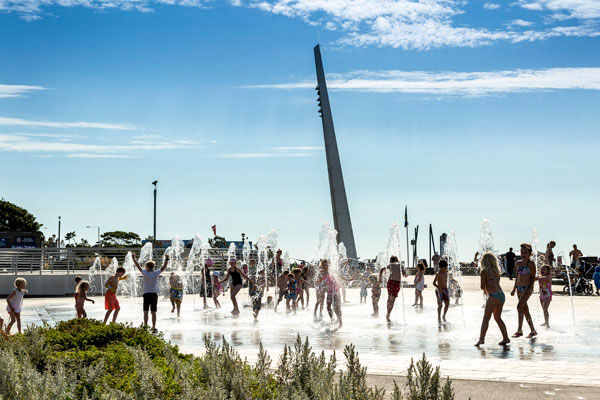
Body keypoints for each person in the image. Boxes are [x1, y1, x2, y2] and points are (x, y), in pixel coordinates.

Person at [475, 253, 510, 346]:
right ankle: (506, 338)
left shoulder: (484, 272)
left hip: (493, 296)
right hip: (501, 295)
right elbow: (496, 283)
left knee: (486, 318)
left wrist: (485, 290)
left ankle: (481, 339)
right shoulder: (496, 271)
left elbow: (482, 286)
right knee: (498, 318)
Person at [132, 253, 169, 332]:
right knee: (153, 312)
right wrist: (167, 259)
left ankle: (145, 326)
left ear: (147, 267)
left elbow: (137, 266)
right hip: (154, 295)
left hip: (146, 294)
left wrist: (133, 258)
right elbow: (164, 267)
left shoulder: (145, 273)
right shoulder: (156, 273)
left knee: (145, 311)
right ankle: (154, 327)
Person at [510, 243, 537, 338]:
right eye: (521, 252)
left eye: (525, 252)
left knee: (519, 307)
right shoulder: (518, 263)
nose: (523, 254)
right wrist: (514, 289)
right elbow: (517, 277)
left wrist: (529, 289)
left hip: (527, 289)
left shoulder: (531, 264)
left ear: (529, 253)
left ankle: (519, 330)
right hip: (519, 289)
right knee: (525, 310)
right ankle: (533, 330)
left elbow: (533, 278)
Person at [379, 256, 407, 322]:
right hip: (397, 283)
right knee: (393, 299)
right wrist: (405, 275)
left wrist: (380, 277)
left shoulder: (390, 265)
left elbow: (382, 269)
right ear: (397, 260)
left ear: (391, 260)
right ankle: (388, 314)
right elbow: (404, 274)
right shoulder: (400, 265)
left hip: (390, 282)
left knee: (389, 298)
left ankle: (388, 313)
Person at [322, 261, 342, 328]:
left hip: (335, 291)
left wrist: (348, 279)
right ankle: (332, 319)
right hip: (329, 291)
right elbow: (323, 280)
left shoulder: (332, 271)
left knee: (336, 307)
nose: (326, 266)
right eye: (324, 265)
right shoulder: (323, 272)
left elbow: (339, 276)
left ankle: (340, 321)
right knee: (328, 307)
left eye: (327, 265)